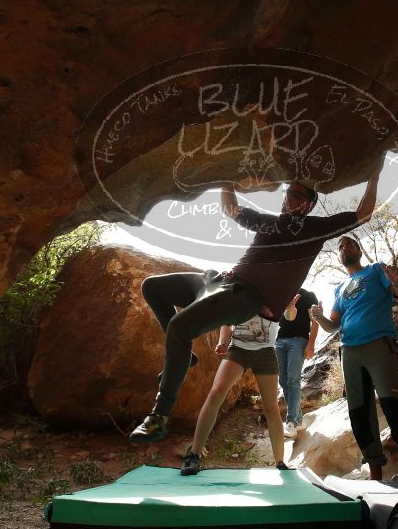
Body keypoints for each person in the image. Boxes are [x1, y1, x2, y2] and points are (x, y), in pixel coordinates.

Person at [131, 167, 383, 443]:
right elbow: (231, 208)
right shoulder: (270, 222)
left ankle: (159, 415)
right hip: (219, 281)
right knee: (152, 287)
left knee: (180, 327)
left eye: (296, 194)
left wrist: (374, 174)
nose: (288, 198)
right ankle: (184, 355)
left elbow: (363, 214)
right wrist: (225, 179)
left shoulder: (315, 229)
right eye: (288, 192)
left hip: (246, 297)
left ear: (309, 204)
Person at [309, 236, 398, 487]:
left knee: (393, 404)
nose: (343, 248)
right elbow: (333, 325)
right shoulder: (340, 288)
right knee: (359, 411)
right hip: (349, 351)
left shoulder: (377, 270)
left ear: (359, 249)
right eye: (340, 247)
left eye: (348, 244)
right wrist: (317, 317)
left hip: (379, 344)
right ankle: (376, 477)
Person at [181, 306, 295, 475]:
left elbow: (290, 316)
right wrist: (222, 342)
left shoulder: (276, 289)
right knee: (216, 392)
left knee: (271, 407)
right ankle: (194, 456)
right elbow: (227, 323)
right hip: (238, 349)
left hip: (266, 353)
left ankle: (280, 463)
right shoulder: (240, 287)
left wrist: (291, 307)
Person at [275, 288, 318, 438]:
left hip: (298, 340)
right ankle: (298, 420)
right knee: (283, 381)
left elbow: (315, 322)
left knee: (293, 380)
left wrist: (311, 344)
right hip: (278, 341)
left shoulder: (308, 295)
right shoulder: (279, 294)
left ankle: (291, 422)